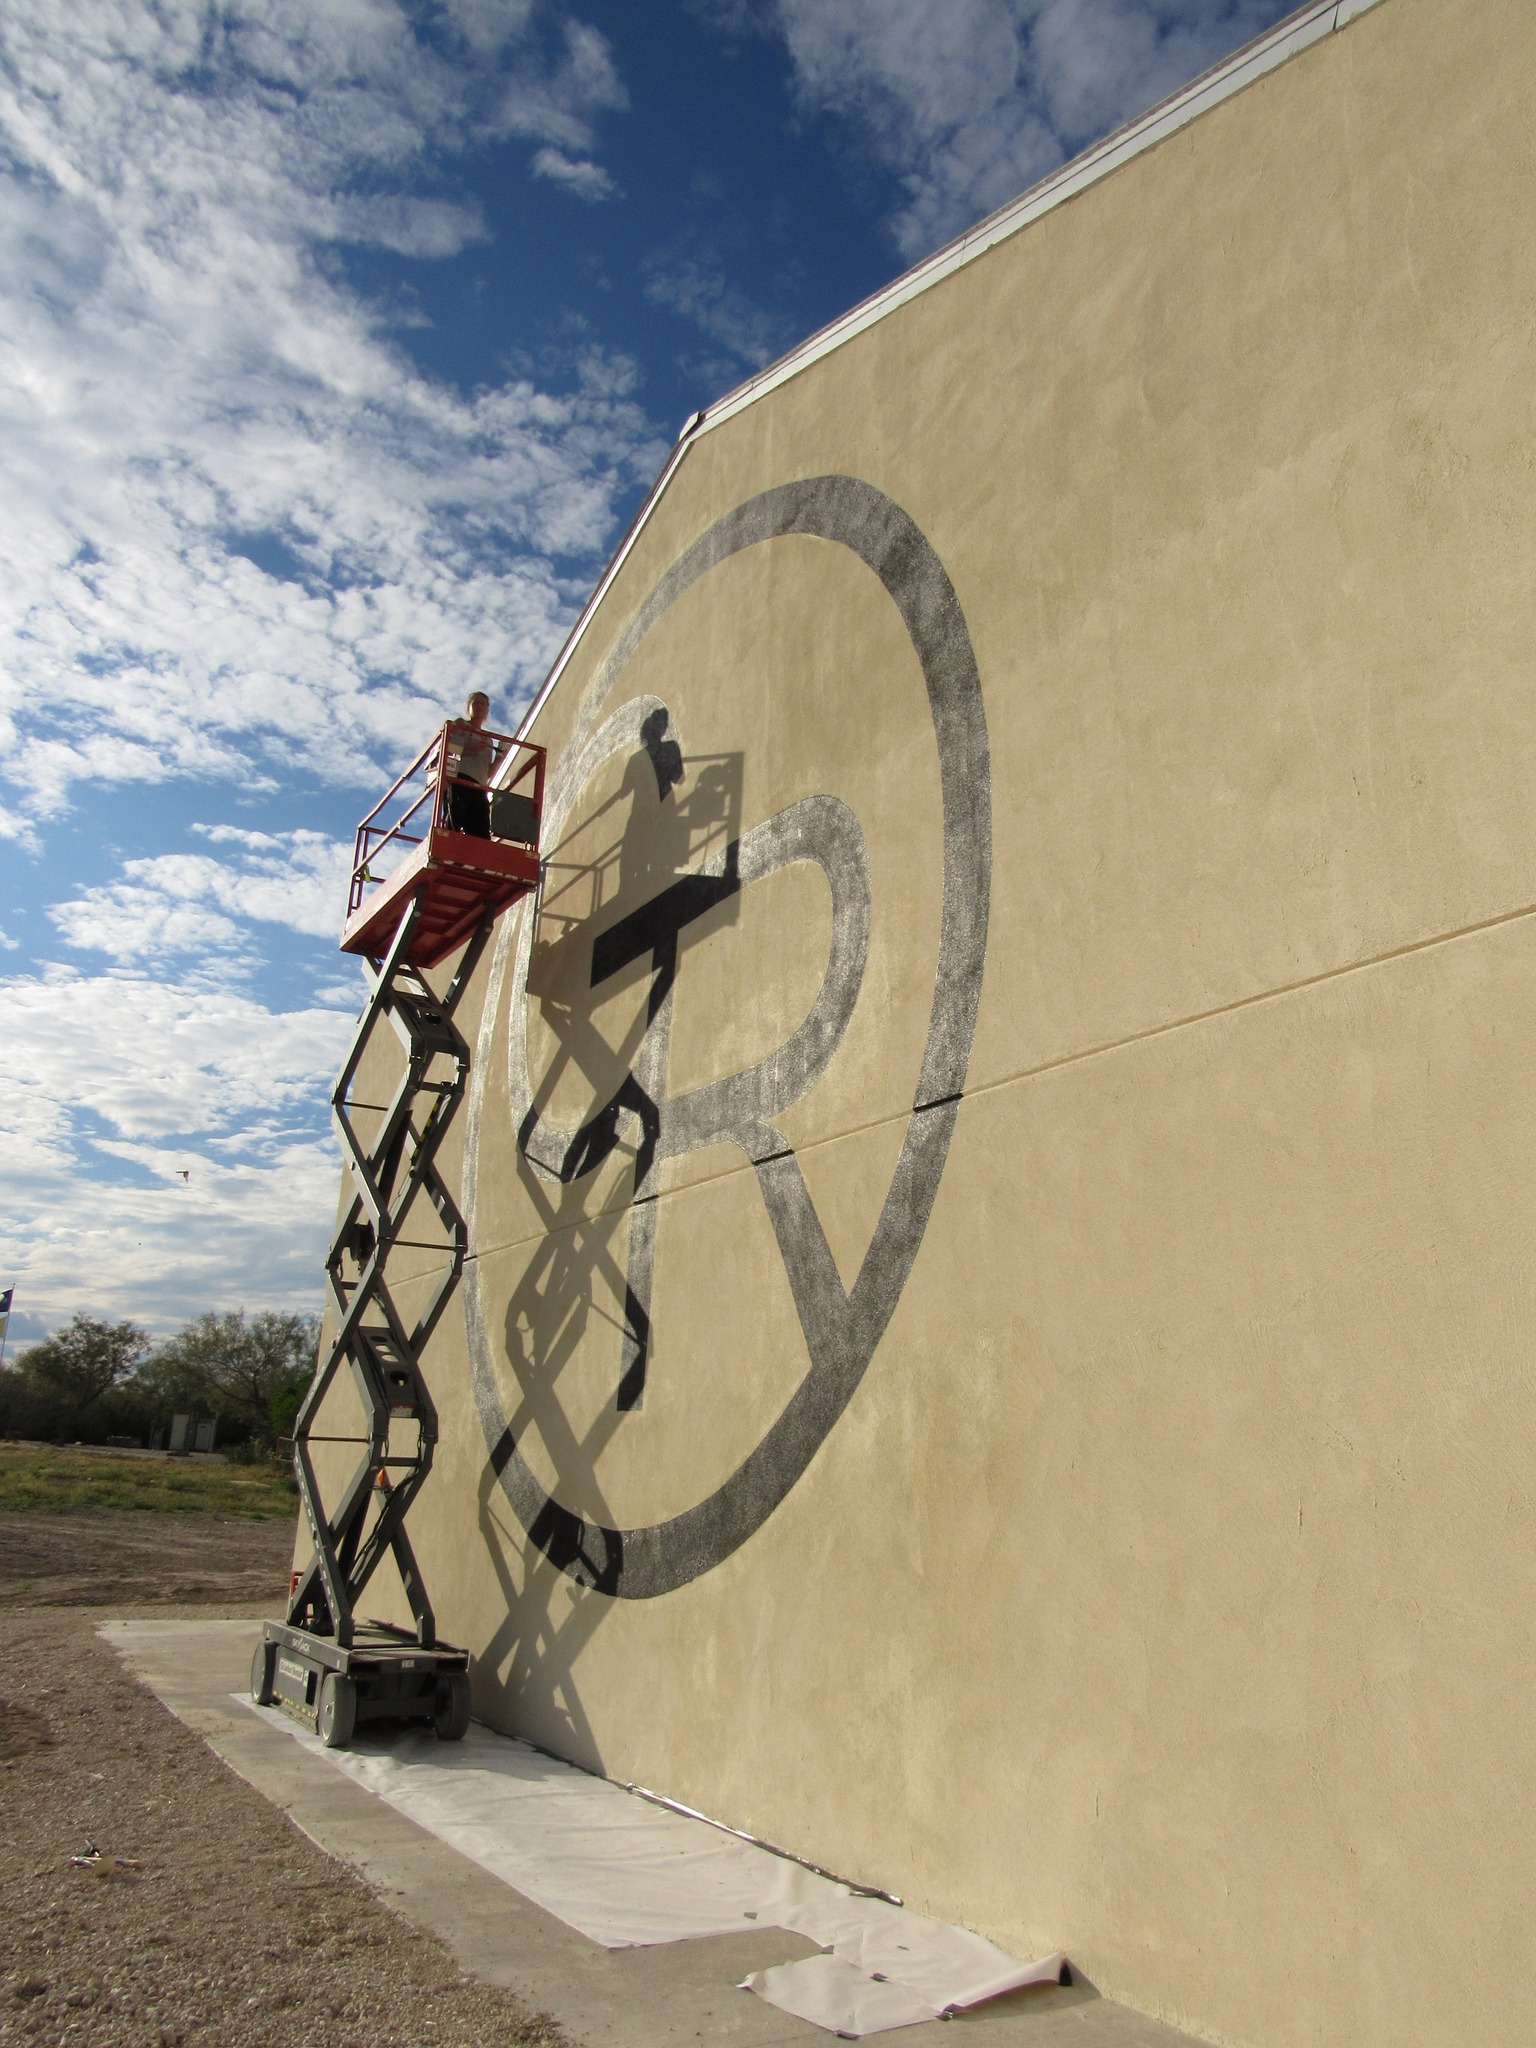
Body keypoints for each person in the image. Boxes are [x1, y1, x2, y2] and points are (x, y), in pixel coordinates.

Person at [444, 691, 499, 837]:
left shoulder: (488, 740)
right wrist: (473, 748)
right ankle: (448, 849)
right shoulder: (461, 726)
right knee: (455, 819)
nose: (480, 706)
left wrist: (500, 758)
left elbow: (487, 773)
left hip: (479, 786)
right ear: (469, 707)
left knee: (480, 829)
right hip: (460, 779)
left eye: (483, 703)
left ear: (488, 709)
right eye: (476, 702)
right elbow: (450, 750)